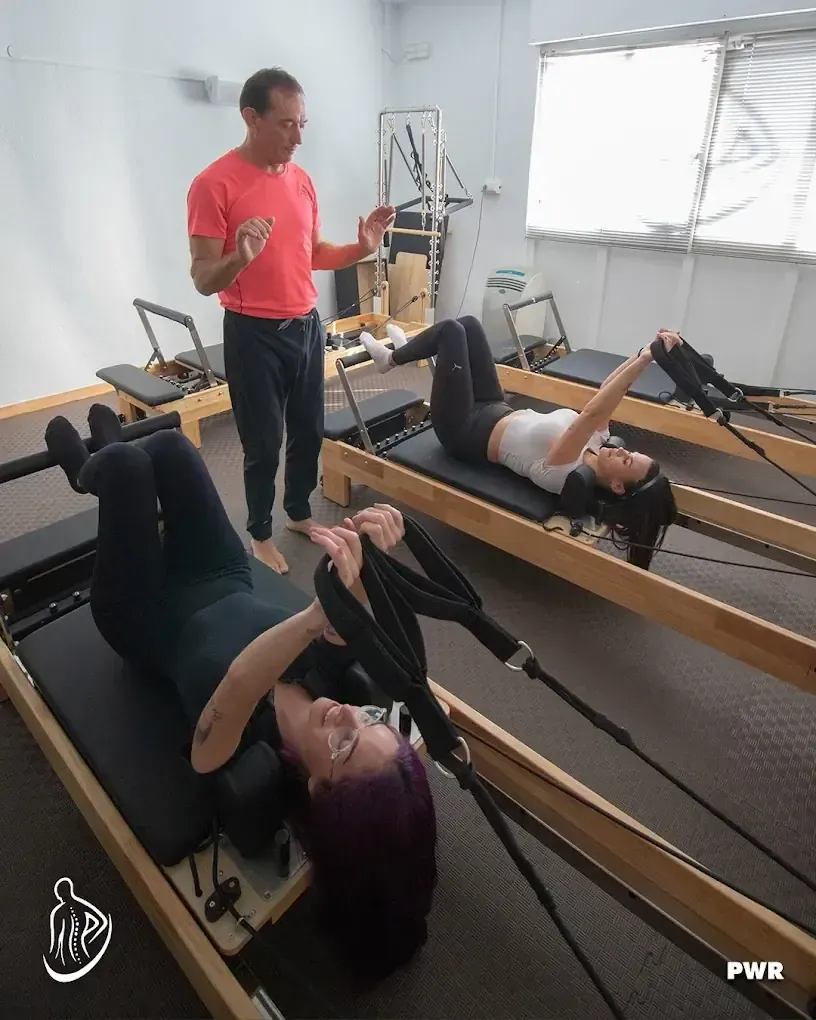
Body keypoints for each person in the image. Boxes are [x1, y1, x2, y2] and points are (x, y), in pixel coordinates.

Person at [43, 404, 437, 986]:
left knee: (127, 466)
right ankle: (111, 457)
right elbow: (380, 640)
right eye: (370, 720)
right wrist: (375, 559)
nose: (346, 714)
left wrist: (312, 620)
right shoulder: (336, 686)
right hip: (219, 573)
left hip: (143, 614)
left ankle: (88, 469)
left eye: (346, 744)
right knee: (173, 450)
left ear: (319, 788)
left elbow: (239, 683)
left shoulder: (240, 754)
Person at [187, 66, 396, 576]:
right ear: (251, 118)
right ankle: (260, 532)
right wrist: (240, 257)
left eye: (303, 124)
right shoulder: (213, 184)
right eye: (286, 125)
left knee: (310, 429)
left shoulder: (302, 181)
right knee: (263, 442)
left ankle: (298, 511)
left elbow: (313, 252)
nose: (298, 137)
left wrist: (360, 249)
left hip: (306, 325)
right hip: (252, 332)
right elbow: (202, 278)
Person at [359, 316, 679, 569]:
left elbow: (595, 408)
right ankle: (411, 350)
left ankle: (389, 359)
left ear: (617, 486)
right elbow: (608, 390)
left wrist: (647, 358)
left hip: (462, 430)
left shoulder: (566, 470)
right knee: (470, 324)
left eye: (626, 460)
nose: (622, 450)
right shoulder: (599, 441)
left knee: (452, 332)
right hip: (493, 405)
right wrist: (645, 355)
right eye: (630, 451)